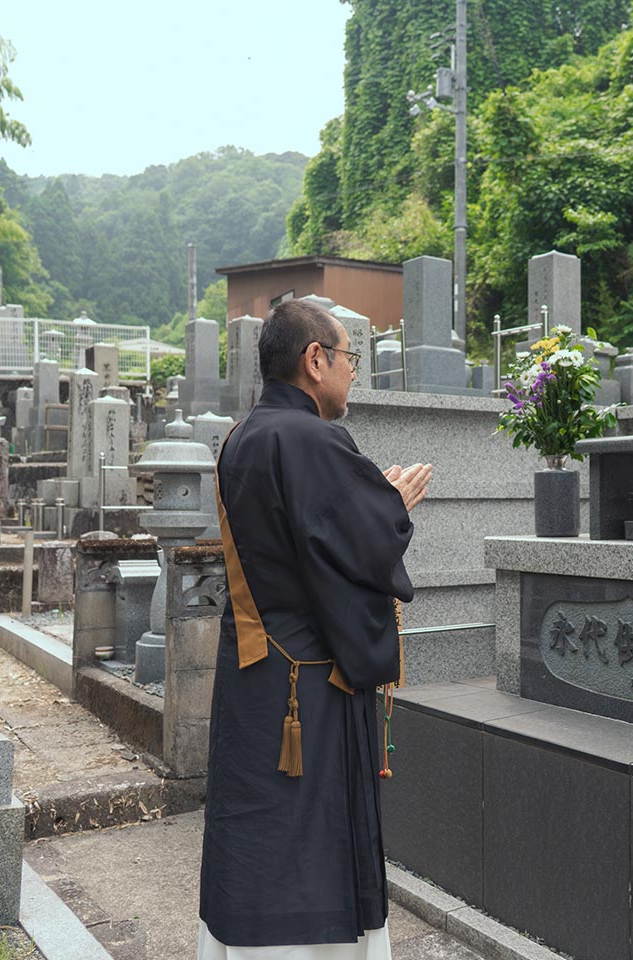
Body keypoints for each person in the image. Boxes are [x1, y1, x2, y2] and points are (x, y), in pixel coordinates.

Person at [198, 299, 432, 959]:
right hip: (309, 687)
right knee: (310, 837)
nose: (354, 371)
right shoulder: (314, 439)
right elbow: (355, 551)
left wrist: (371, 506)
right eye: (350, 357)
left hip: (254, 671)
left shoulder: (242, 436)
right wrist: (389, 507)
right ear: (315, 359)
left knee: (254, 825)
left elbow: (305, 545)